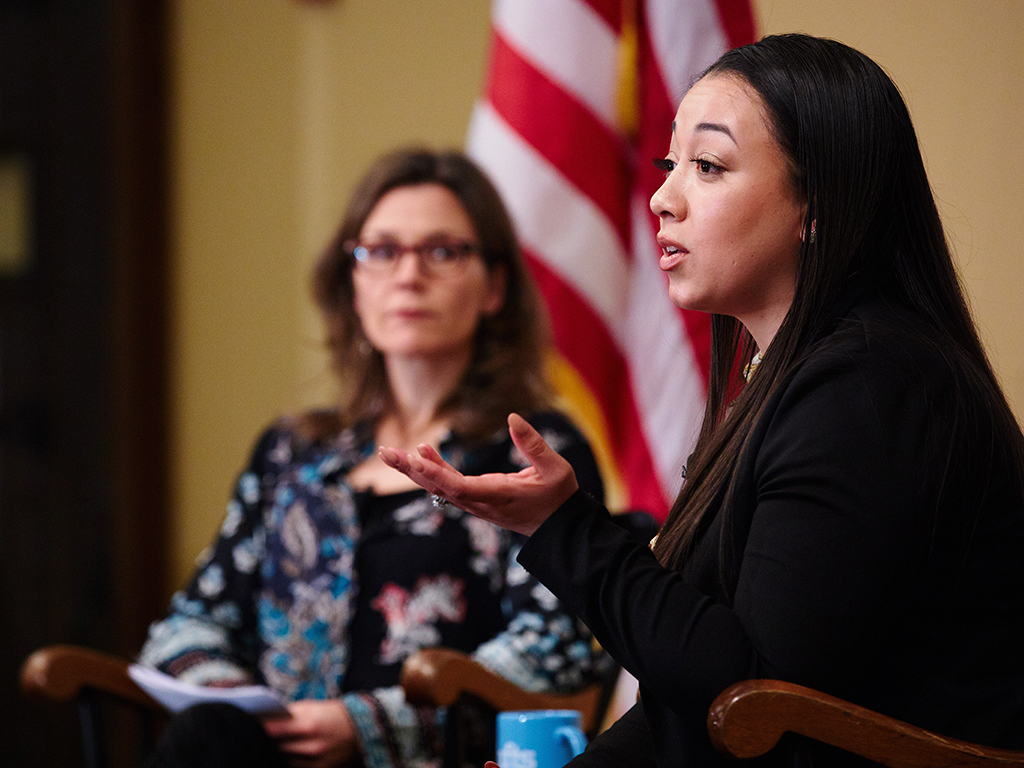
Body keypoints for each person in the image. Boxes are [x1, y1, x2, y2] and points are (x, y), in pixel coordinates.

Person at [380, 34, 1024, 768]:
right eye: (669, 165)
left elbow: (754, 702)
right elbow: (692, 702)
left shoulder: (871, 386)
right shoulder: (796, 374)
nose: (662, 198)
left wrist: (566, 529)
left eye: (708, 167)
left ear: (817, 205)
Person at [138, 148, 608, 768]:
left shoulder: (531, 449)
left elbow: (556, 647)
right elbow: (188, 626)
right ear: (352, 283)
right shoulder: (291, 453)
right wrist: (246, 707)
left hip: (437, 757)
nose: (408, 275)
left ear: (494, 287)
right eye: (382, 251)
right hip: (274, 753)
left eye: (442, 251)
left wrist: (365, 723)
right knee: (207, 736)